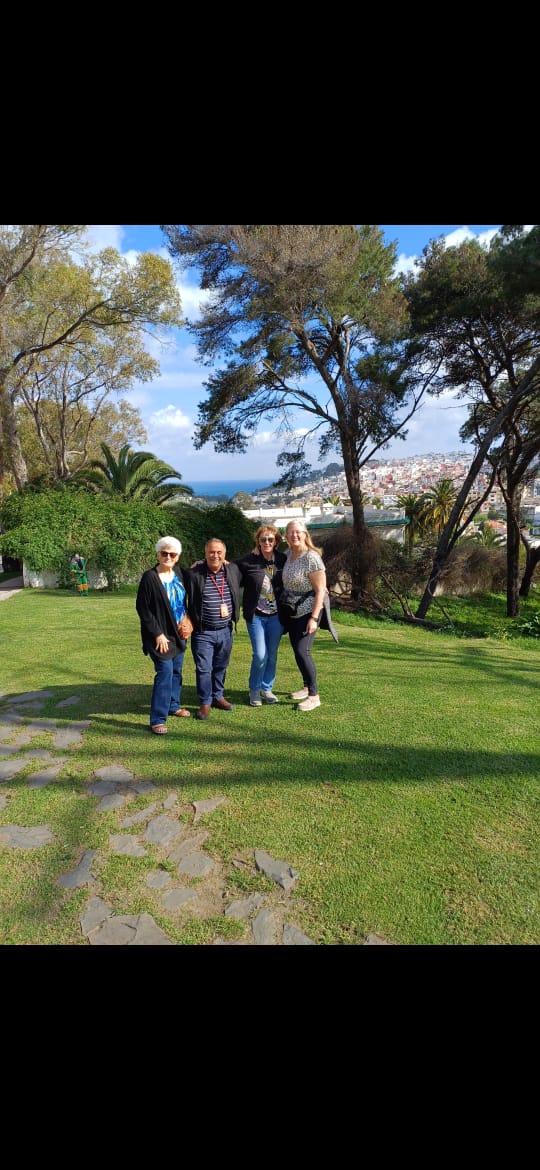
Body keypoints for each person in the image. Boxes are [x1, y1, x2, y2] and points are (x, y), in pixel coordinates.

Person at [277, 519, 338, 712]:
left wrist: (313, 618)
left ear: (305, 534)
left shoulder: (312, 557)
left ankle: (314, 695)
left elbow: (321, 590)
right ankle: (305, 686)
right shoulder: (288, 555)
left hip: (309, 610)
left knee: (303, 651)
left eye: (298, 532)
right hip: (293, 611)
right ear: (286, 536)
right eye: (291, 532)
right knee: (297, 650)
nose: (295, 535)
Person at [135, 536, 191, 735]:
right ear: (158, 554)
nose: (168, 557)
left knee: (176, 671)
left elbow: (185, 600)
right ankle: (158, 719)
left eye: (172, 554)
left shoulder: (179, 573)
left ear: (177, 557)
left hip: (178, 634)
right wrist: (157, 634)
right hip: (159, 635)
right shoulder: (150, 577)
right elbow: (143, 608)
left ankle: (173, 705)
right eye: (164, 553)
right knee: (165, 672)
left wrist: (187, 619)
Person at [185, 538, 242, 721]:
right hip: (203, 631)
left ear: (224, 554)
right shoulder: (195, 573)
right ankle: (205, 702)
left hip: (226, 630)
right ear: (205, 554)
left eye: (219, 552)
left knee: (221, 666)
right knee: (203, 668)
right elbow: (175, 577)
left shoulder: (232, 570)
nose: (215, 555)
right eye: (211, 552)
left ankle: (218, 697)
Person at [234, 525, 287, 706]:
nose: (267, 542)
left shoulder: (282, 559)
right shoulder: (249, 561)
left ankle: (266, 688)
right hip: (256, 616)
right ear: (258, 541)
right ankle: (254, 689)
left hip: (276, 617)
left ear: (276, 541)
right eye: (263, 539)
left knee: (271, 654)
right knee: (260, 654)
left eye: (270, 539)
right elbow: (229, 567)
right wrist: (201, 564)